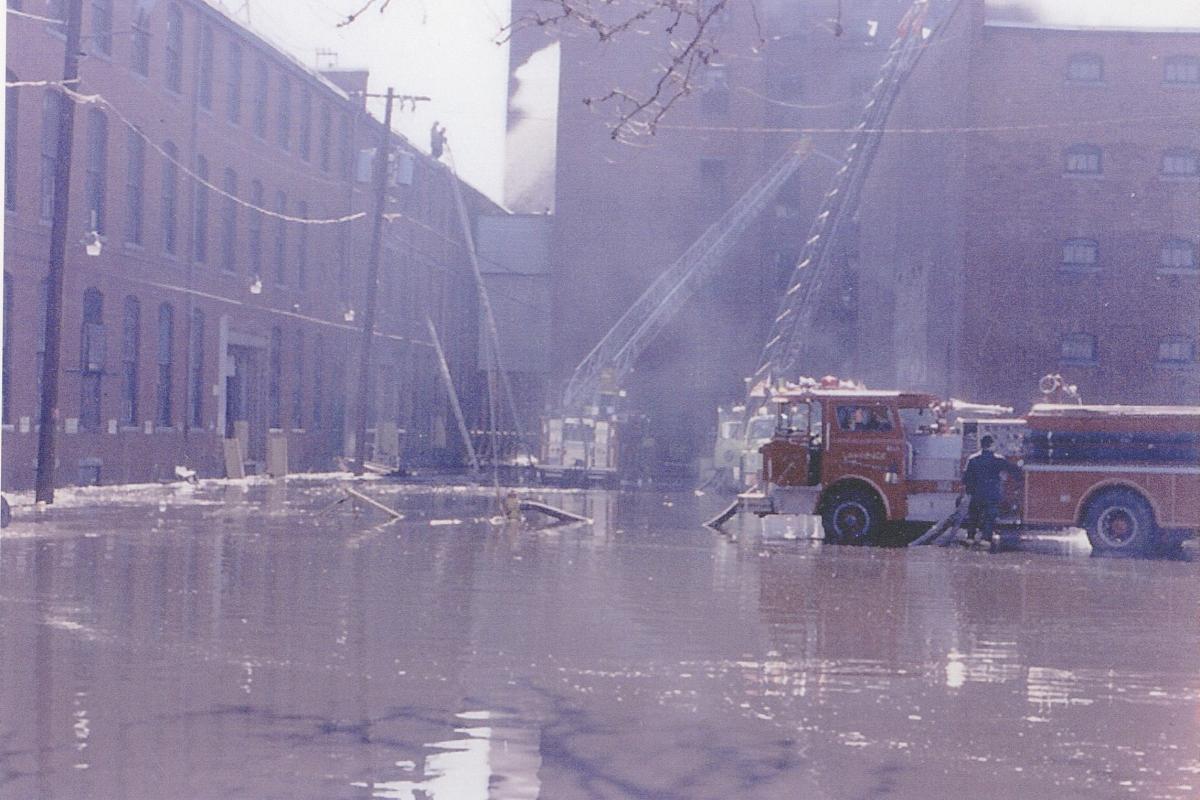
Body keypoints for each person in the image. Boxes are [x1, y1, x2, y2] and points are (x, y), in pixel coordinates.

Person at [962, 434, 1022, 550]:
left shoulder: (972, 459)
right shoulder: (998, 459)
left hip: (976, 494)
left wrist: (969, 491)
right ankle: (985, 540)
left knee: (974, 515)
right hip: (992, 494)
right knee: (989, 517)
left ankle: (970, 538)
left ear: (981, 445)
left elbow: (966, 478)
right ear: (992, 445)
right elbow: (1013, 470)